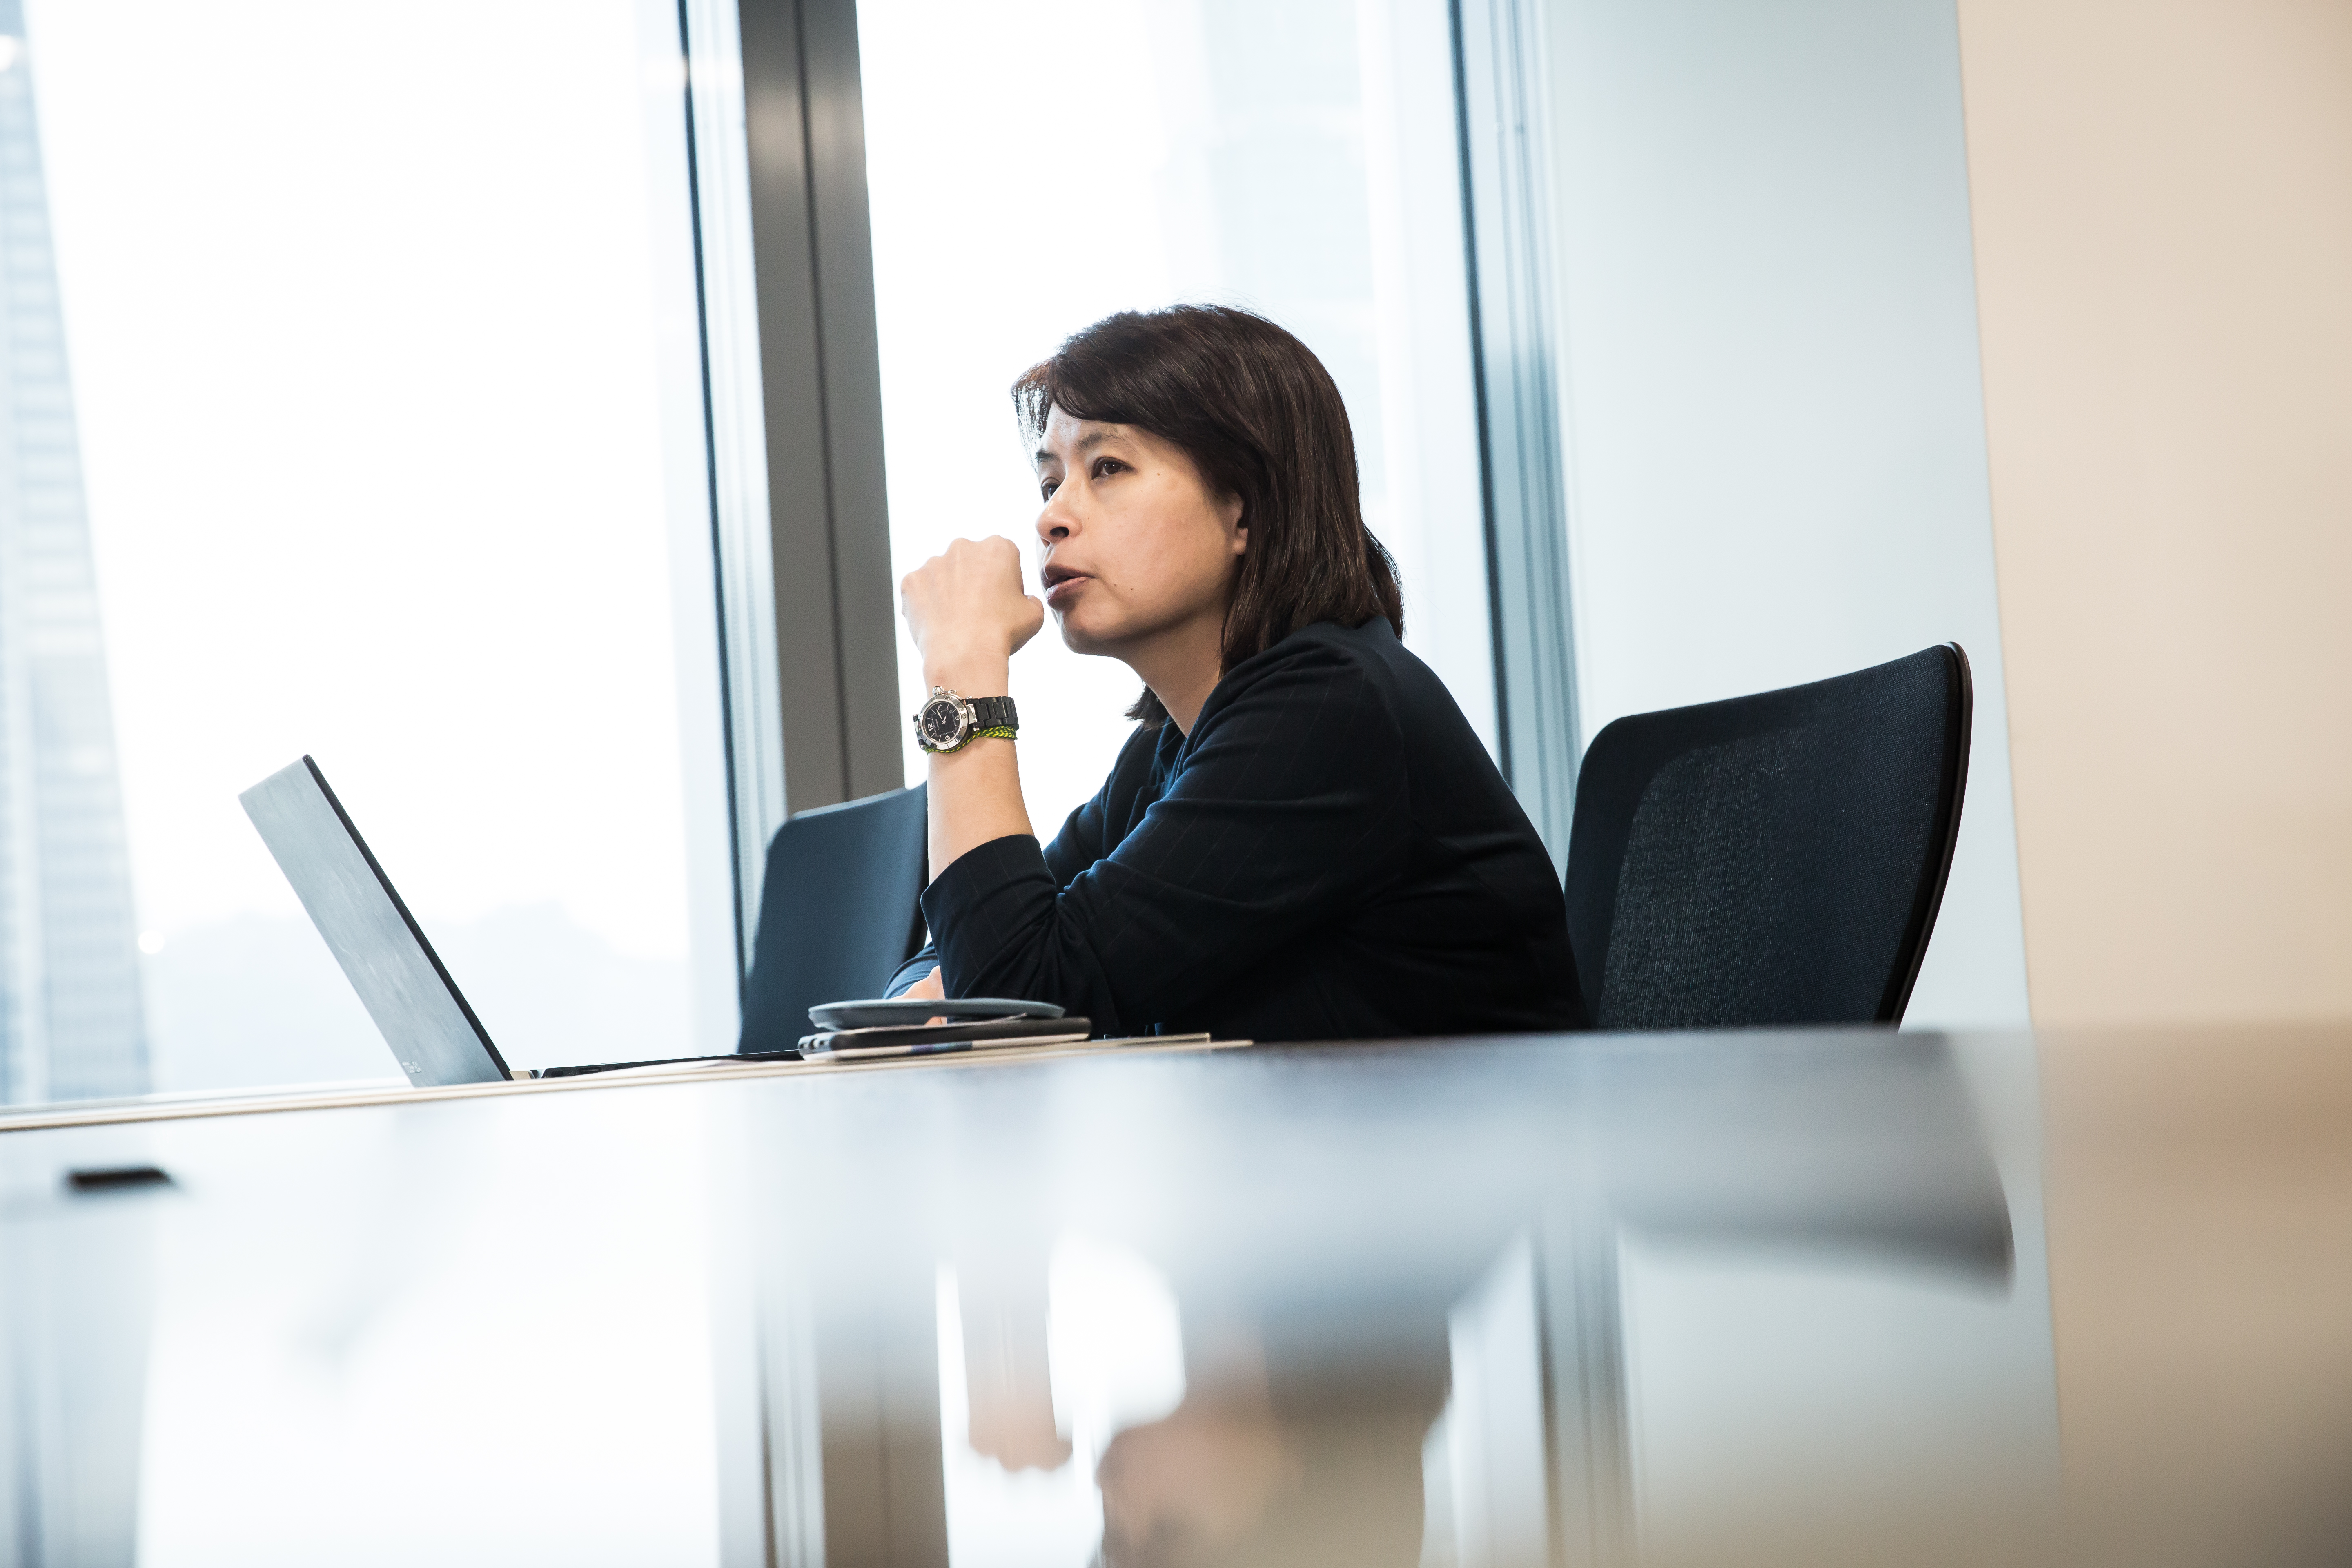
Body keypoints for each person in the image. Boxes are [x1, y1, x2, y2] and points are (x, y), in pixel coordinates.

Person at [889, 305, 1581, 1040]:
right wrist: (942, 984)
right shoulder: (1166, 755)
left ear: (1243, 511)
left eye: (1108, 467)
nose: (1051, 518)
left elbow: (1021, 992)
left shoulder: (1328, 712)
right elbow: (959, 961)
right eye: (1050, 482)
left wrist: (961, 673)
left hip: (1477, 1151)